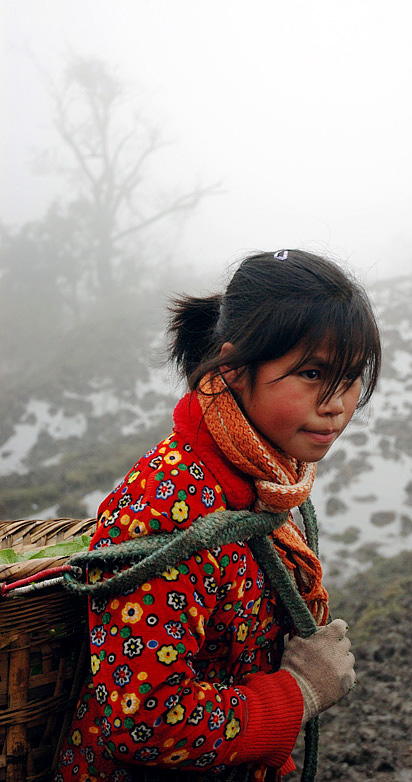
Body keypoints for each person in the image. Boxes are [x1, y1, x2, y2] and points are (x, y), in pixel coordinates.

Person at [56, 249, 381, 782]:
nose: (337, 404)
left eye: (349, 378)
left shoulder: (269, 483)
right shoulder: (168, 508)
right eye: (312, 373)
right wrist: (297, 692)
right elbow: (141, 720)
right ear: (232, 369)